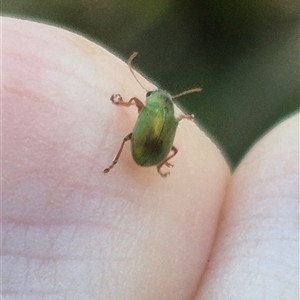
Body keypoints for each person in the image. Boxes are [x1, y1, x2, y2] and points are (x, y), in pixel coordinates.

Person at [2, 17, 299, 299]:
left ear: (150, 100)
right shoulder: (170, 116)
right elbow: (168, 137)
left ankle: (119, 162)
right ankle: (157, 165)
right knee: (166, 147)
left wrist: (124, 104)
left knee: (126, 137)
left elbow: (138, 106)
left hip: (145, 152)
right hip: (154, 154)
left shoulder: (154, 109)